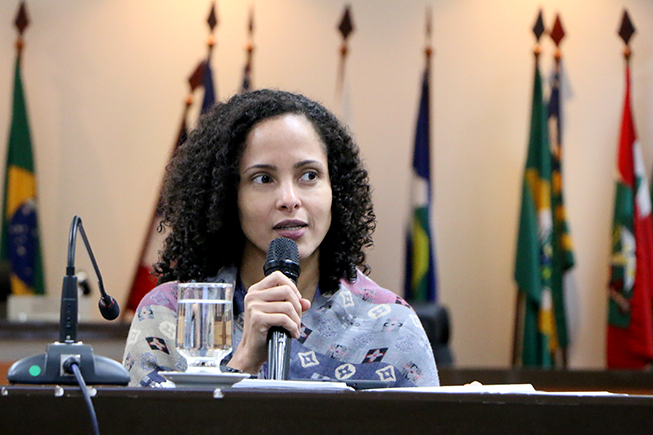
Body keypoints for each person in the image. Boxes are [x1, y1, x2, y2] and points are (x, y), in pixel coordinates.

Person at [123, 89, 439, 387]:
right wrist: (244, 361)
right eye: (263, 178)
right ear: (226, 197)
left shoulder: (391, 326)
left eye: (309, 176)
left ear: (335, 190)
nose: (289, 199)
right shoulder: (168, 314)